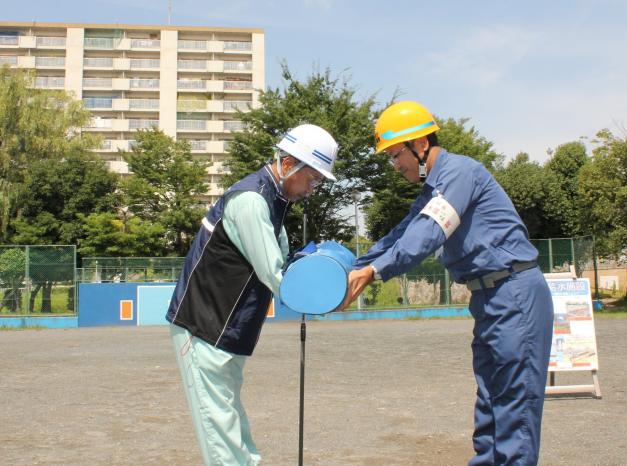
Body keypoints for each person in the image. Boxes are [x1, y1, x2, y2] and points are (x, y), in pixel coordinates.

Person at [343, 101, 554, 465]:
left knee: (513, 407)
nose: (396, 166)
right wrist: (349, 266)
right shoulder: (432, 190)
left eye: (396, 155)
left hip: (514, 291)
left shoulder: (459, 174)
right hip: (488, 298)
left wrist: (374, 273)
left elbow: (425, 235)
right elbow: (400, 235)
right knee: (490, 402)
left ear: (420, 144)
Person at [166, 124, 339, 466]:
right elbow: (277, 276)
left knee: (234, 433)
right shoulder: (251, 201)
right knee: (223, 443)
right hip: (204, 328)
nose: (313, 188)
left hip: (227, 332)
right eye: (313, 178)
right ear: (289, 164)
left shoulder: (274, 203)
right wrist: (326, 294)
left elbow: (287, 263)